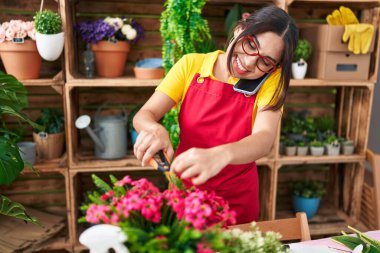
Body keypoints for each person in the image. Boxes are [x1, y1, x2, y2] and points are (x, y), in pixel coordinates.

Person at [133, 5, 298, 224]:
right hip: (186, 194)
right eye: (250, 44)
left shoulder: (270, 81)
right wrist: (154, 129)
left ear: (274, 67)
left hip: (238, 200)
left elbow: (264, 138)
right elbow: (145, 114)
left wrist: (222, 155)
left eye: (265, 61)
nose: (249, 63)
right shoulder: (192, 64)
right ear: (240, 30)